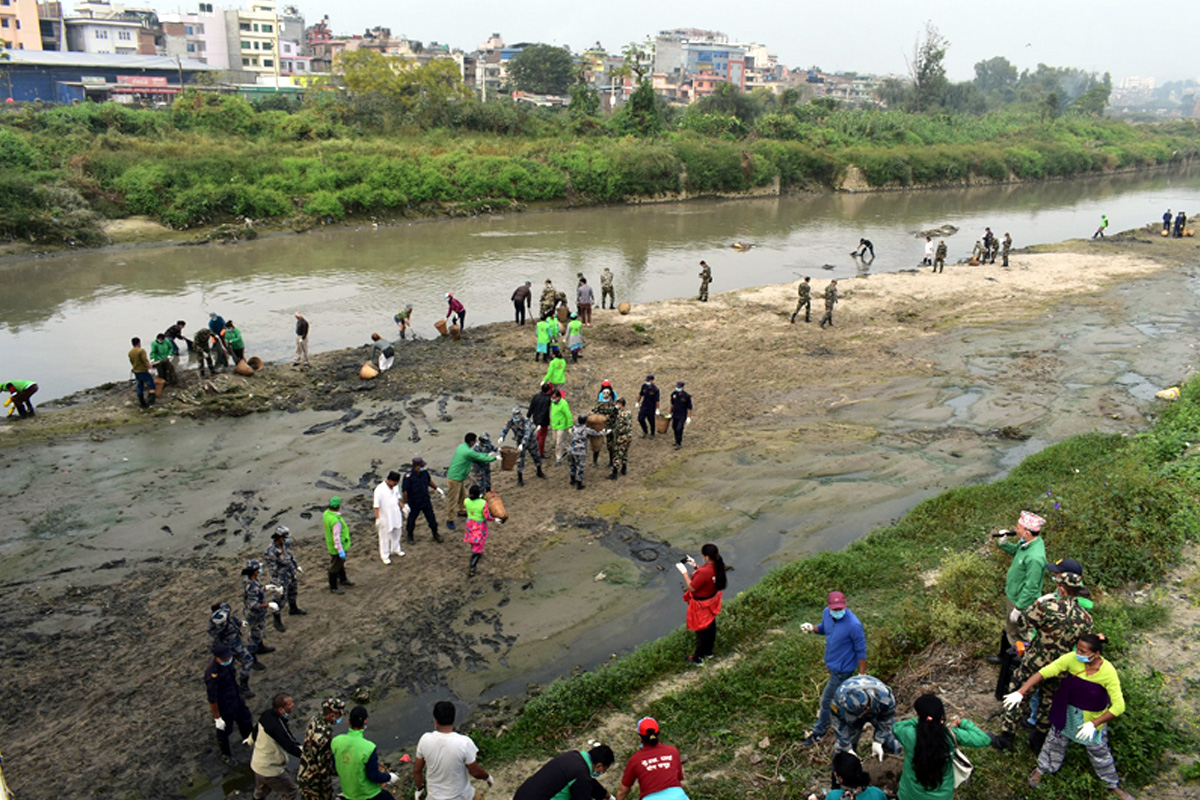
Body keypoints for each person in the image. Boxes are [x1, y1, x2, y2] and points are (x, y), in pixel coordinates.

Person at [1005, 634, 1134, 800]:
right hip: (1067, 713)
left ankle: (1111, 784)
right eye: (1077, 648)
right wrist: (1020, 692)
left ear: (1096, 654)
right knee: (1054, 742)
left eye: (1082, 651)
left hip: (1091, 718)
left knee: (1099, 751)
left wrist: (1094, 724)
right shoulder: (1072, 659)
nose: (1078, 653)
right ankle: (1042, 769)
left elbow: (1119, 706)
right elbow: (1045, 672)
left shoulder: (1108, 672)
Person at [994, 557, 1094, 752]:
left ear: (1062, 589)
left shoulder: (1048, 607)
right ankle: (1037, 742)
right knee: (1048, 703)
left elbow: (1023, 622)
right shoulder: (1086, 618)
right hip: (1060, 667)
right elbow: (1084, 644)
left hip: (1035, 663)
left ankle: (1006, 738)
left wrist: (1039, 602)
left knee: (1018, 695)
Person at [990, 510, 1047, 698]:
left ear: (1028, 532)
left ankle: (1017, 668)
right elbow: (1016, 552)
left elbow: (1031, 587)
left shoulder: (1036, 557)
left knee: (1018, 632)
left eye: (1019, 527)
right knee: (1009, 628)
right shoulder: (1027, 544)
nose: (1016, 529)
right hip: (1013, 595)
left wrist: (1019, 608)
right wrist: (1004, 543)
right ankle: (1004, 657)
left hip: (1020, 601)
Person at [800, 591, 868, 748]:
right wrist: (812, 628)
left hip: (842, 671)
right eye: (834, 609)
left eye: (840, 609)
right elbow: (825, 628)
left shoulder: (854, 625)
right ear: (829, 607)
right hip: (833, 665)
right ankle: (844, 718)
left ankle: (818, 732)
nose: (837, 612)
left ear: (845, 606)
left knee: (826, 701)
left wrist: (862, 675)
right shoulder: (826, 613)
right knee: (840, 698)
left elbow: (861, 651)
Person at [893, 694, 991, 800]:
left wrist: (922, 721)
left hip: (909, 795)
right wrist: (962, 722)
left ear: (918, 715)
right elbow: (984, 739)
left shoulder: (909, 734)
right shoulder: (950, 736)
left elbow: (897, 727)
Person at [414, 701, 492, 800]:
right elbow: (475, 772)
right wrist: (487, 777)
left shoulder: (424, 740)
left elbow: (417, 770)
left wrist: (420, 788)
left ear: (435, 720)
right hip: (461, 796)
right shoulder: (464, 743)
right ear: (454, 718)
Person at [332, 706, 401, 800]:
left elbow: (334, 767)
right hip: (366, 794)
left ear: (349, 722)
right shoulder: (369, 748)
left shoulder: (336, 741)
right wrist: (388, 777)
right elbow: (373, 775)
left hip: (348, 793)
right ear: (365, 722)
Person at [674, 543, 726, 664]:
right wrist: (695, 566)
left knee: (701, 630)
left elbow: (692, 587)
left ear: (707, 557)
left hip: (701, 605)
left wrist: (684, 573)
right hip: (712, 600)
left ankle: (698, 658)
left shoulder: (704, 572)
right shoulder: (719, 566)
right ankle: (709, 652)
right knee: (711, 626)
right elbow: (707, 576)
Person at [827, 675, 902, 758]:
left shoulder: (884, 697)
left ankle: (892, 765)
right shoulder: (838, 700)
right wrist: (846, 747)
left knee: (891, 741)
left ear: (867, 708)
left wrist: (879, 741)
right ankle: (838, 770)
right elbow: (837, 722)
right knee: (841, 751)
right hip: (854, 718)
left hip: (877, 712)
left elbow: (886, 719)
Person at [205, 644, 254, 766]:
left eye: (229, 658)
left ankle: (249, 740)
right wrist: (217, 717)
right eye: (225, 659)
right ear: (217, 658)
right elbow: (212, 698)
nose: (228, 660)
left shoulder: (228, 663)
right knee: (224, 730)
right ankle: (226, 755)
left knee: (246, 720)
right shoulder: (212, 674)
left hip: (236, 698)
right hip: (224, 706)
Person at [616, 717, 687, 800]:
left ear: (640, 738)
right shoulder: (673, 751)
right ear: (658, 735)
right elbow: (678, 778)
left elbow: (623, 791)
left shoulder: (635, 759)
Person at [250, 693, 304, 800]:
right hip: (271, 769)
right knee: (291, 791)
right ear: (281, 709)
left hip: (257, 764)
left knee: (260, 792)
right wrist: (307, 756)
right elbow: (290, 745)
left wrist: (249, 742)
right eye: (290, 704)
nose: (293, 705)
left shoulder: (266, 715)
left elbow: (255, 733)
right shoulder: (278, 726)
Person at [513, 745, 615, 800]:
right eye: (605, 769)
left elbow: (589, 783)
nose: (603, 772)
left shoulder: (573, 756)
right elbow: (584, 789)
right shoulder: (581, 776)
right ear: (599, 766)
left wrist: (608, 797)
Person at [297, 697, 346, 800]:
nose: (339, 718)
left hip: (305, 771)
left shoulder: (316, 719)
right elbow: (324, 767)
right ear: (332, 714)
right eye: (339, 715)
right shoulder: (322, 738)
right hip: (314, 781)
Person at [445, 433, 497, 531]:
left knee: (462, 495)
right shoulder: (468, 452)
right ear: (472, 442)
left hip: (459, 476)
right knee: (452, 500)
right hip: (455, 478)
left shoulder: (462, 447)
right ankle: (449, 520)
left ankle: (461, 511)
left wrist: (487, 454)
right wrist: (494, 458)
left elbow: (477, 455)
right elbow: (479, 457)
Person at [209, 601, 257, 697]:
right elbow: (215, 638)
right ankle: (242, 686)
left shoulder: (226, 614)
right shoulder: (219, 621)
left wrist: (240, 622)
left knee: (231, 667)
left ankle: (238, 686)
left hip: (235, 643)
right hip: (229, 647)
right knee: (247, 661)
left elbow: (232, 618)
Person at [242, 559, 278, 663]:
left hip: (258, 614)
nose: (260, 570)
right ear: (254, 571)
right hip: (254, 615)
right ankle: (252, 658)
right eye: (258, 568)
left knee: (259, 632)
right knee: (254, 635)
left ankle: (260, 647)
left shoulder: (253, 579)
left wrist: (265, 588)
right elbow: (253, 605)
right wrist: (268, 605)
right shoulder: (251, 586)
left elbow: (258, 589)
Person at [265, 526, 306, 618]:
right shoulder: (271, 552)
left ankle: (293, 609)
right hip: (280, 579)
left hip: (290, 574)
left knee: (293, 593)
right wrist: (278, 584)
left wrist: (296, 566)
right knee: (279, 600)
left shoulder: (285, 545)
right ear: (279, 537)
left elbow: (290, 557)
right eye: (284, 538)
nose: (286, 540)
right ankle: (277, 619)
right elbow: (273, 570)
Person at [402, 457, 444, 544]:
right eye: (421, 466)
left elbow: (429, 481)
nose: (423, 467)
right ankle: (410, 535)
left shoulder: (424, 473)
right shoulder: (408, 477)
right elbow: (405, 491)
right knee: (412, 520)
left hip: (425, 500)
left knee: (431, 518)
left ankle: (435, 533)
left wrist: (437, 489)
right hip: (414, 502)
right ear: (416, 466)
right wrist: (405, 503)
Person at [500, 407, 544, 487]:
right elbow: (505, 429)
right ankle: (520, 478)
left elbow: (527, 433)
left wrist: (522, 444)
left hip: (530, 442)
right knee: (520, 460)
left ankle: (539, 471)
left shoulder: (526, 421)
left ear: (521, 414)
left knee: (536, 456)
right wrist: (502, 437)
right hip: (519, 442)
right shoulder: (511, 422)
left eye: (518, 416)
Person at [373, 471, 406, 565]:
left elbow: (397, 498)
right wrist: (377, 518)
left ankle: (396, 549)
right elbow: (376, 505)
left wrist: (403, 507)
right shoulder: (379, 490)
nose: (395, 485)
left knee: (397, 532)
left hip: (395, 514)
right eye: (394, 483)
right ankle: (385, 555)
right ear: (389, 480)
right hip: (385, 517)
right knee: (384, 537)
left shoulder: (395, 487)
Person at [324, 496, 355, 595]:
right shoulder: (336, 521)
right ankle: (333, 587)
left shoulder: (326, 514)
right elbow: (336, 537)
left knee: (340, 564)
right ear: (338, 507)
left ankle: (343, 579)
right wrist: (340, 550)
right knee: (335, 566)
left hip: (331, 544)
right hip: (337, 547)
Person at [568, 413, 607, 490]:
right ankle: (579, 484)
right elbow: (597, 434)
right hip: (580, 450)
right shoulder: (586, 430)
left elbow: (570, 432)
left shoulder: (574, 428)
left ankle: (572, 480)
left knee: (572, 465)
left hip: (571, 449)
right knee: (580, 466)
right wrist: (604, 431)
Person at [462, 486, 495, 577]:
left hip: (470, 523)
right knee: (479, 543)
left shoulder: (466, 501)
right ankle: (472, 567)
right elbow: (487, 516)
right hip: (479, 526)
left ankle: (475, 552)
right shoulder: (483, 503)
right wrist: (494, 518)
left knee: (472, 539)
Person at [592, 380, 620, 467]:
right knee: (599, 445)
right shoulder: (603, 405)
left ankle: (608, 461)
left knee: (609, 445)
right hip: (602, 426)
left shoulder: (611, 406)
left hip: (608, 427)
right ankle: (596, 461)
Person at [608, 398, 634, 480]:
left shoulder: (620, 414)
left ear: (620, 404)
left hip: (621, 437)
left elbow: (619, 427)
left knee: (617, 454)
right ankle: (624, 469)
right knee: (625, 452)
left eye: (617, 404)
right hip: (629, 435)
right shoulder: (629, 412)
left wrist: (612, 431)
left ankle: (614, 473)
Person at [129, 336, 157, 408]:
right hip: (143, 371)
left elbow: (132, 361)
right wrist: (151, 369)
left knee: (140, 387)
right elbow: (145, 361)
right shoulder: (141, 351)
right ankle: (151, 403)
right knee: (152, 385)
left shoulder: (130, 352)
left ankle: (142, 403)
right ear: (139, 343)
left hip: (136, 371)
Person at [528, 383, 553, 458]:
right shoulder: (547, 399)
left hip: (535, 418)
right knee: (542, 436)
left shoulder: (536, 397)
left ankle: (534, 447)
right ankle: (540, 453)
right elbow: (544, 411)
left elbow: (531, 407)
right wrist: (540, 422)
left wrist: (528, 416)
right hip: (543, 420)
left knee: (538, 434)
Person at [550, 389, 573, 466]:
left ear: (559, 397)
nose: (553, 399)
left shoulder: (563, 404)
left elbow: (568, 415)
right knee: (555, 441)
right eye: (552, 397)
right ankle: (565, 450)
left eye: (554, 397)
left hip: (561, 426)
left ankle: (558, 459)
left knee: (559, 443)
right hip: (554, 425)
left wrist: (570, 426)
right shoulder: (553, 403)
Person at [668, 381, 692, 450]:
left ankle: (679, 443)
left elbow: (690, 407)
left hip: (682, 415)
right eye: (677, 387)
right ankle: (676, 441)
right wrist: (670, 413)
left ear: (683, 387)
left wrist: (689, 417)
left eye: (679, 387)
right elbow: (672, 404)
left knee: (679, 428)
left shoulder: (686, 396)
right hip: (675, 414)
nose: (678, 388)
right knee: (674, 427)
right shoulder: (674, 394)